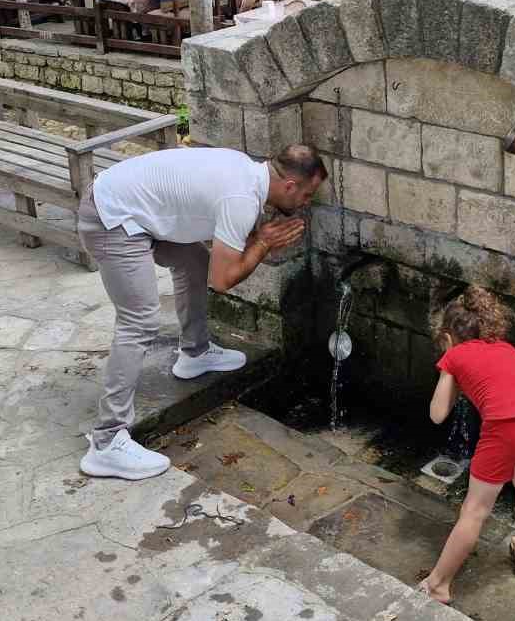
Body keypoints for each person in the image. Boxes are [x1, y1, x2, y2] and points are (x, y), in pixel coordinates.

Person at [76, 143, 327, 480]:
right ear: (290, 186)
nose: (306, 204)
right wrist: (263, 244)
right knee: (139, 320)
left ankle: (194, 353)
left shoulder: (246, 171)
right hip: (111, 217)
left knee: (194, 263)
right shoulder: (240, 198)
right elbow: (222, 280)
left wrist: (256, 240)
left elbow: (224, 246)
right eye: (308, 195)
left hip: (131, 205)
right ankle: (106, 442)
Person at [418, 288, 515, 606]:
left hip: (507, 427)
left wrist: (448, 372)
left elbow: (437, 415)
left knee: (475, 510)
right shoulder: (505, 348)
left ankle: (438, 585)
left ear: (448, 337)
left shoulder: (454, 355)